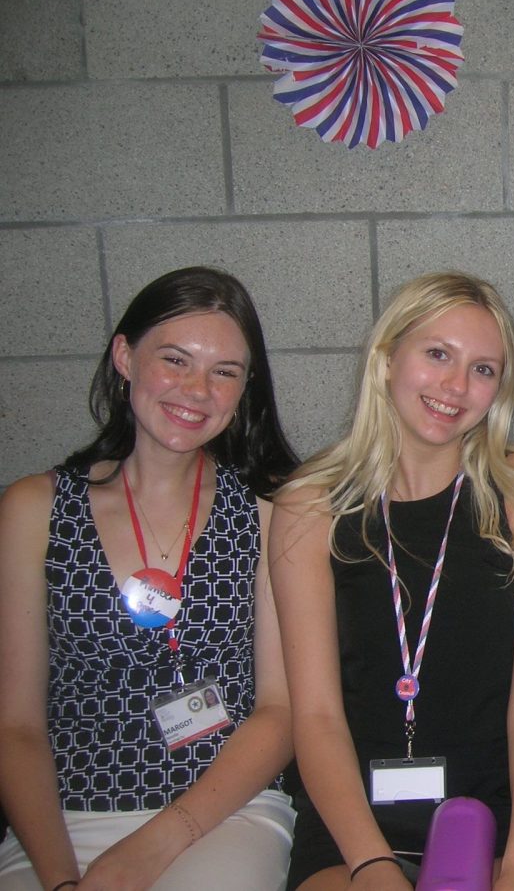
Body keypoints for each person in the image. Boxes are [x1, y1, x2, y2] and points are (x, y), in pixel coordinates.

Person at [269, 272, 514, 890]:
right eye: (438, 354)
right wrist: (371, 863)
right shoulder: (309, 506)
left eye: (484, 369)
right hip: (350, 823)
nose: (457, 386)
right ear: (386, 360)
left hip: (499, 815)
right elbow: (317, 713)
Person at [0, 266, 300, 890]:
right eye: (175, 360)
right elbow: (18, 725)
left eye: (225, 372)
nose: (197, 389)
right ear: (124, 357)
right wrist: (59, 877)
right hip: (63, 819)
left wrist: (145, 853)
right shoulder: (34, 510)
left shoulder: (270, 513)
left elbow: (278, 712)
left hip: (222, 812)